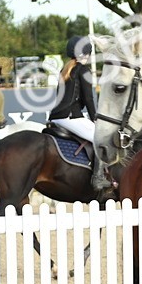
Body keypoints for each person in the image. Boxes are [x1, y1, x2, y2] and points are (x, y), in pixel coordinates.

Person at [49, 35, 112, 195]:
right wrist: (96, 120)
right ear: (86, 53)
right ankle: (98, 178)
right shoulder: (83, 70)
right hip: (70, 116)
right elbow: (89, 99)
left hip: (57, 116)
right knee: (100, 138)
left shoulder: (66, 69)